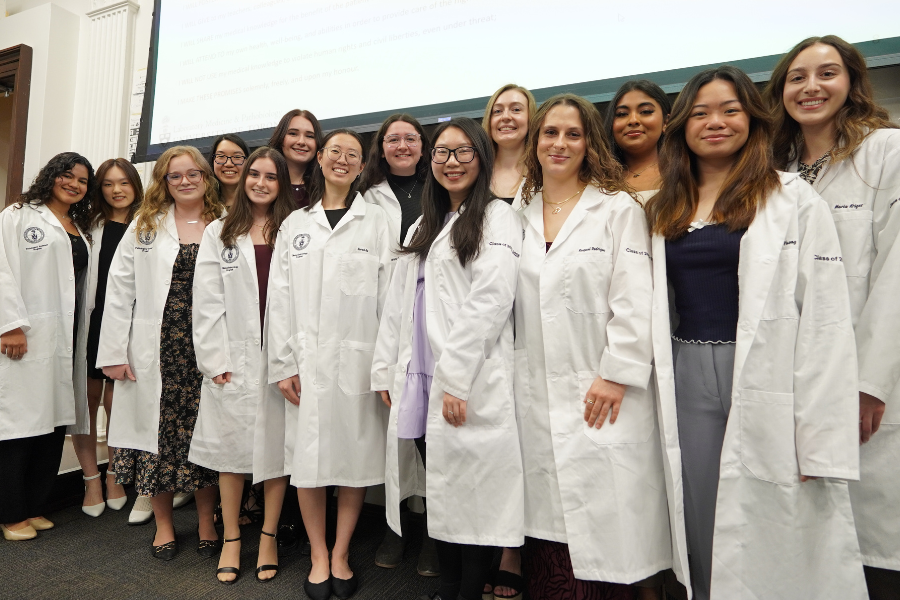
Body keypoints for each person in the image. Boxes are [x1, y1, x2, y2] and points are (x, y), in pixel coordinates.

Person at [645, 65, 866, 599]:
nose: (714, 122)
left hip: (771, 375)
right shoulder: (662, 207)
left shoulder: (791, 199)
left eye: (729, 110)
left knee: (777, 510)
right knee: (701, 507)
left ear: (753, 118)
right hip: (687, 373)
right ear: (680, 128)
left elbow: (826, 318)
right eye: (699, 113)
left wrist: (821, 432)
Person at [513, 93, 671, 600]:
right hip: (535, 386)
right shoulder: (516, 212)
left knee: (610, 516)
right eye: (550, 133)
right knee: (551, 520)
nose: (560, 143)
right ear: (535, 141)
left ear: (589, 144)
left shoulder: (616, 208)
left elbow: (635, 297)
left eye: (573, 134)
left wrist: (616, 371)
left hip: (602, 387)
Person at [764, 36, 900, 599]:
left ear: (852, 82)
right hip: (795, 383)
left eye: (826, 73)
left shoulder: (885, 153)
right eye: (797, 77)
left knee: (874, 550)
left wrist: (870, 384)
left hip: (866, 387)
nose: (811, 87)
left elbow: (895, 277)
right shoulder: (776, 168)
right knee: (811, 551)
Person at [372, 117, 524, 600]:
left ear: (481, 157)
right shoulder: (425, 222)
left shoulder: (497, 218)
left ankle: (467, 589)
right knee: (443, 486)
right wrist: (385, 369)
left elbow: (491, 300)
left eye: (462, 153)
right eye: (441, 153)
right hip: (420, 376)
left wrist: (456, 379)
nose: (451, 162)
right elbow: (397, 304)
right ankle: (456, 583)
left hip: (464, 377)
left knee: (472, 490)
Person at [268, 129, 393, 600]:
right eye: (334, 151)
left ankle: (341, 551)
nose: (342, 160)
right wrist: (282, 363)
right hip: (304, 367)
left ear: (362, 167)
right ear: (319, 159)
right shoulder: (295, 225)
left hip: (358, 364)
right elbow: (278, 300)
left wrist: (383, 365)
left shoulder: (376, 223)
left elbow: (388, 300)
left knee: (354, 460)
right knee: (308, 461)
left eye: (353, 155)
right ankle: (318, 554)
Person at [98, 146, 223, 561]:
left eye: (193, 174)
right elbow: (118, 292)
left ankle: (207, 520)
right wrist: (114, 352)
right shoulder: (146, 224)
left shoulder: (225, 223)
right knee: (159, 442)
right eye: (175, 176)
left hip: (208, 348)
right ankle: (164, 524)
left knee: (205, 437)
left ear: (206, 177)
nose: (184, 181)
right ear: (164, 182)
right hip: (158, 349)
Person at [191, 146, 296, 583]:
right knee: (230, 452)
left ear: (281, 184)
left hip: (281, 357)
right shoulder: (220, 232)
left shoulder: (294, 230)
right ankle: (232, 535)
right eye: (255, 174)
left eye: (271, 177)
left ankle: (268, 534)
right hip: (232, 359)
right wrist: (214, 360)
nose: (260, 183)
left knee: (277, 449)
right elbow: (206, 302)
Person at [0, 152, 94, 540]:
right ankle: (10, 514)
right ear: (51, 176)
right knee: (19, 425)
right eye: (67, 176)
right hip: (27, 334)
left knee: (53, 424)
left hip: (65, 336)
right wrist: (10, 327)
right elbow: (1, 269)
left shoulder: (77, 225)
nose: (74, 184)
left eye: (82, 181)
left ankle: (34, 505)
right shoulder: (19, 216)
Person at [360, 113, 437, 577]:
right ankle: (396, 522)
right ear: (382, 148)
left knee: (427, 431)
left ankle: (430, 525)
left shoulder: (443, 191)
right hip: (380, 323)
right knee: (393, 431)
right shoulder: (366, 198)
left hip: (428, 322)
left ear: (423, 147)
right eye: (394, 139)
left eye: (411, 138)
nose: (403, 145)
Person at [72, 158, 142, 518]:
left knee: (118, 404)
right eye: (109, 184)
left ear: (135, 185)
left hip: (130, 324)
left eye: (124, 183)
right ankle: (90, 479)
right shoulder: (88, 225)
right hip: (91, 319)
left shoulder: (150, 223)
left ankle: (115, 472)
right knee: (87, 402)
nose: (117, 190)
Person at [604, 80, 672, 204]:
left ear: (666, 122)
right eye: (622, 114)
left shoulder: (685, 172)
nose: (633, 120)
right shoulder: (598, 179)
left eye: (646, 111)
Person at [483, 83, 536, 211]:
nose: (505, 116)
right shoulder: (475, 171)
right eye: (497, 111)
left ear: (530, 118)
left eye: (516, 109)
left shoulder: (546, 173)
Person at [268, 109, 323, 208]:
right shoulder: (264, 181)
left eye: (310, 136)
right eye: (293, 133)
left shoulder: (326, 186)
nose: (301, 142)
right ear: (281, 138)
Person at [207, 134, 250, 209]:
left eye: (237, 157)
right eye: (221, 156)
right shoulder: (203, 204)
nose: (228, 164)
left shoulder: (259, 204)